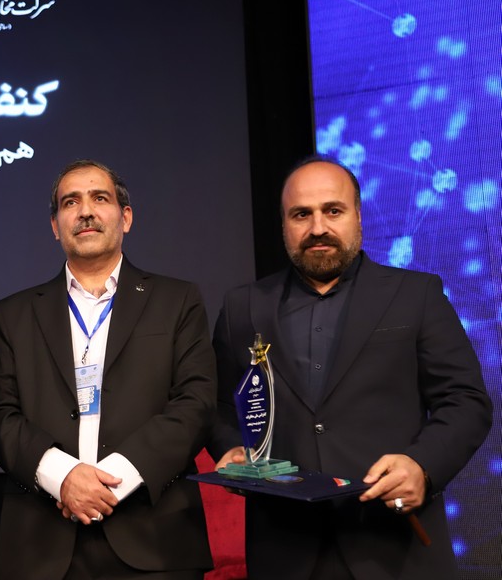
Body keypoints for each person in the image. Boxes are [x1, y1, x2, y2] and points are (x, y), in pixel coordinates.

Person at [210, 157, 492, 579]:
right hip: (285, 549)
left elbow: (466, 401)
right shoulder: (243, 307)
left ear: (358, 216)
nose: (317, 227)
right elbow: (218, 407)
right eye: (301, 214)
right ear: (284, 223)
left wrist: (423, 465)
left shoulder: (416, 294)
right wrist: (233, 448)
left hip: (394, 543)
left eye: (333, 210)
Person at [0, 159, 217, 579]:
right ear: (55, 226)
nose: (86, 211)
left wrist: (110, 481)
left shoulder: (177, 301)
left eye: (100, 198)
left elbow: (195, 403)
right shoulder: (11, 314)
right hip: (43, 542)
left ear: (125, 218)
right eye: (70, 202)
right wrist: (64, 477)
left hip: (155, 537)